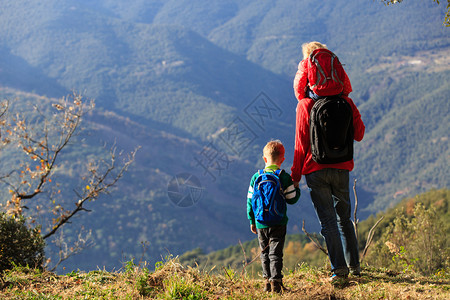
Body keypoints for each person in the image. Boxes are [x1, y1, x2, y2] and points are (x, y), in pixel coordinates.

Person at [291, 42, 365, 284]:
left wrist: (294, 175)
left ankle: (339, 271)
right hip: (342, 167)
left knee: (328, 222)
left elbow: (300, 144)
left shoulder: (305, 105)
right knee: (345, 218)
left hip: (315, 170)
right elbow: (359, 134)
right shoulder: (346, 102)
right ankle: (355, 266)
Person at [247, 140, 300, 293]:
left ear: (265, 159)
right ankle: (276, 283)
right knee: (276, 253)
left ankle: (266, 283)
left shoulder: (256, 177)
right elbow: (292, 199)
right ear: (282, 159)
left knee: (264, 252)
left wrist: (252, 220)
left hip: (260, 222)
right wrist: (297, 189)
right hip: (279, 221)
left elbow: (250, 201)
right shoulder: (283, 177)